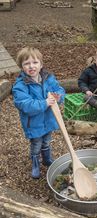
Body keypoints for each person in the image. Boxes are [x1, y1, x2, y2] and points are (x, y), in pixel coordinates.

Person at [12, 47, 65, 179]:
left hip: (48, 120)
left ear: (41, 64)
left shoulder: (48, 78)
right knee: (36, 144)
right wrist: (45, 103)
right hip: (33, 123)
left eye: (35, 62)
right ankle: (35, 163)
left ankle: (47, 159)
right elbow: (25, 105)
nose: (31, 66)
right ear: (22, 67)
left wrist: (57, 96)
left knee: (46, 141)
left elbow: (59, 89)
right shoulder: (20, 86)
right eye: (26, 63)